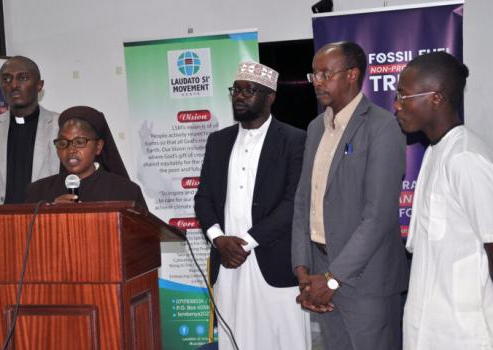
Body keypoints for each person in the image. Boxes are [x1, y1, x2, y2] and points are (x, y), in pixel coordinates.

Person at [291, 41, 407, 350]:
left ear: (353, 75)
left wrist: (332, 279)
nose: (317, 82)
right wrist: (304, 272)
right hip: (319, 274)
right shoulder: (316, 127)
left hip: (366, 282)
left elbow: (378, 217)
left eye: (325, 74)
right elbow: (304, 202)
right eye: (313, 74)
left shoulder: (383, 127)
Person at [194, 61, 310, 349]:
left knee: (285, 339)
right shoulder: (218, 141)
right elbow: (203, 197)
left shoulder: (294, 139)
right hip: (228, 262)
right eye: (236, 89)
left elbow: (293, 202)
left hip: (272, 260)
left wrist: (245, 242)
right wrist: (218, 239)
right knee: (237, 339)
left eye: (250, 90)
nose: (240, 96)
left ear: (270, 97)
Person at [395, 52, 493, 349]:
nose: (397, 105)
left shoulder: (466, 158)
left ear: (436, 97)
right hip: (426, 325)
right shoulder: (435, 151)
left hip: (463, 332)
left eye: (404, 96)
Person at [0, 56, 59, 205]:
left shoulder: (60, 126)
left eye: (23, 78)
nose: (13, 85)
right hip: (0, 225)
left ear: (39, 85)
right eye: (6, 79)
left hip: (46, 224)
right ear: (0, 86)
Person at [25, 105, 146, 208]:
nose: (71, 150)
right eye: (63, 143)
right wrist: (51, 212)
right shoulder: (37, 192)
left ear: (98, 146)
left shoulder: (126, 192)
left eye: (79, 142)